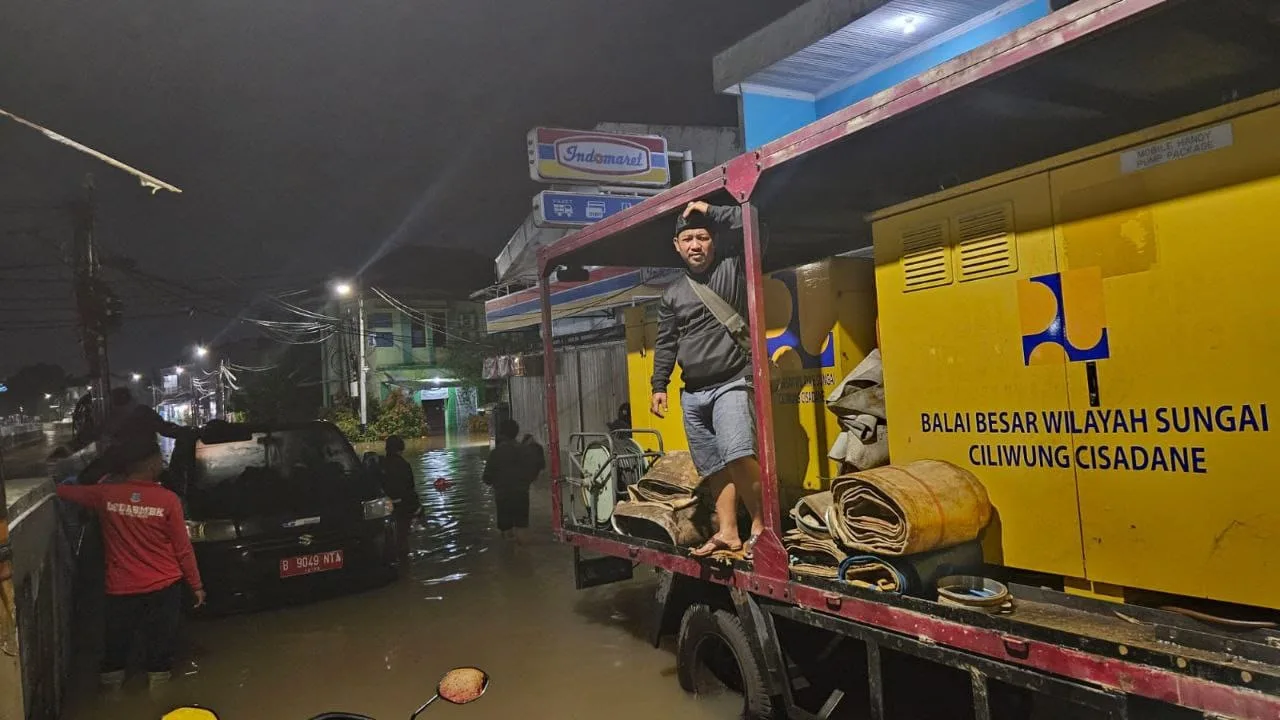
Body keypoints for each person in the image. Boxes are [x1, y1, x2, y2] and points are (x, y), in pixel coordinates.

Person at [651, 200, 765, 558]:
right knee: (715, 466)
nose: (695, 245)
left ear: (713, 241)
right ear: (677, 246)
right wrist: (659, 386)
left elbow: (753, 221)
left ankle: (762, 526)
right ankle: (729, 532)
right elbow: (666, 342)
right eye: (688, 239)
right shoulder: (671, 295)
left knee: (737, 454)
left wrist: (712, 210)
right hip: (693, 392)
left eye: (702, 237)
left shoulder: (732, 268)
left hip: (731, 380)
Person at [55, 437, 204, 689]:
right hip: (164, 589)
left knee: (115, 652)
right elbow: (183, 549)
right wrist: (197, 585)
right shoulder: (168, 500)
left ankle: (112, 700)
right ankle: (158, 697)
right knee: (160, 654)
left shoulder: (105, 494)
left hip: (120, 590)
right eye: (159, 458)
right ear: (150, 464)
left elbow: (61, 492)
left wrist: (59, 481)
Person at [482, 419, 540, 540]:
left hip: (502, 496)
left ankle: (508, 555)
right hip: (521, 494)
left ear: (501, 434)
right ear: (517, 432)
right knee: (521, 528)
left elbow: (486, 478)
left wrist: (497, 482)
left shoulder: (495, 454)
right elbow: (534, 472)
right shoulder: (525, 451)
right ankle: (523, 555)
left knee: (506, 531)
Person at [380, 435, 421, 562]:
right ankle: (405, 565)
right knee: (403, 538)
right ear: (401, 448)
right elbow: (410, 487)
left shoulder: (380, 464)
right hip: (403, 506)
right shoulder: (404, 465)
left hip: (384, 507)